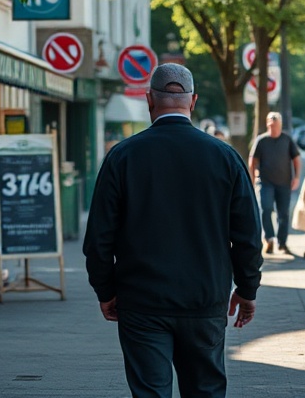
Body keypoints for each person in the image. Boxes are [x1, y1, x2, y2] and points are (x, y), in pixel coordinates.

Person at [84, 63, 263, 398]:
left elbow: (98, 238)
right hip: (205, 298)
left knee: (150, 392)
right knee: (206, 391)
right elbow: (248, 236)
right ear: (193, 102)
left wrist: (105, 290)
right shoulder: (225, 157)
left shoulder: (122, 157)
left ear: (149, 99)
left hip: (141, 300)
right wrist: (247, 288)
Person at [249, 111, 302, 255]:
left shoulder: (287, 140)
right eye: (271, 125)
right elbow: (253, 161)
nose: (274, 128)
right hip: (265, 183)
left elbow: (296, 159)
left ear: (280, 125)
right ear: (267, 124)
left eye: (276, 125)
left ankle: (282, 242)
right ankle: (269, 239)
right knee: (265, 209)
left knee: (283, 213)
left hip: (284, 183)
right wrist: (253, 179)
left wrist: (296, 177)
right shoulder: (261, 140)